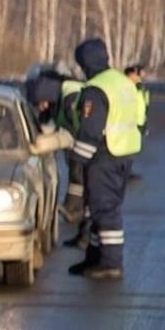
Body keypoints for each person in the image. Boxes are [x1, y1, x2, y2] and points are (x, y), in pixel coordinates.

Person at [67, 38, 141, 280]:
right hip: (124, 153)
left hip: (105, 154)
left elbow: (90, 129)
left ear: (86, 64)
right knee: (101, 206)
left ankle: (110, 262)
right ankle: (95, 257)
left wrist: (77, 160)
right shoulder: (122, 82)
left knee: (103, 208)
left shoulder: (96, 89)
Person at [25, 69, 88, 241]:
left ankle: (77, 213)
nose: (41, 107)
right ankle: (75, 212)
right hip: (79, 142)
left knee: (80, 174)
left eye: (42, 102)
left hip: (87, 143)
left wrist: (67, 140)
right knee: (77, 174)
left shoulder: (71, 96)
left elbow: (78, 125)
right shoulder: (57, 98)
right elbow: (48, 123)